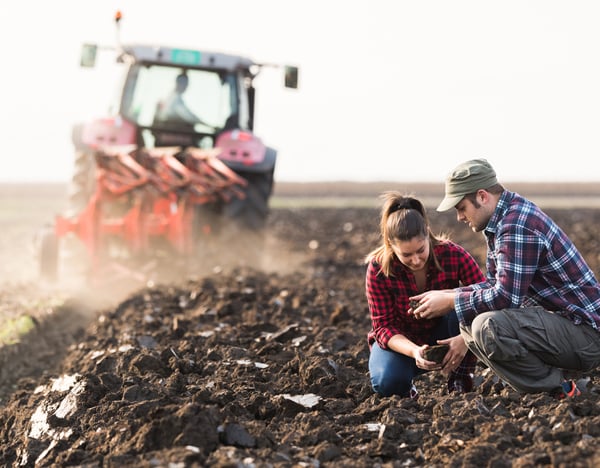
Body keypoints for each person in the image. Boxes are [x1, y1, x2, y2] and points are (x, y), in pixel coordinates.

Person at [411, 158, 600, 399]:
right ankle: (556, 382)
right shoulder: (502, 220)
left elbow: (505, 297)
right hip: (566, 328)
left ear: (482, 196)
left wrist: (451, 301)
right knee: (470, 320)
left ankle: (560, 389)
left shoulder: (517, 225)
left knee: (486, 326)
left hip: (588, 336)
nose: (459, 217)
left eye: (461, 208)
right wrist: (448, 295)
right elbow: (495, 284)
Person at [366, 192, 486, 399]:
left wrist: (465, 339)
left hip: (446, 332)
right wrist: (414, 352)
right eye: (406, 255)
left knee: (464, 304)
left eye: (421, 250)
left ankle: (460, 379)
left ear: (427, 234)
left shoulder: (453, 255)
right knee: (387, 382)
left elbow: (487, 296)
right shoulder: (378, 269)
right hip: (403, 341)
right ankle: (406, 390)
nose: (416, 260)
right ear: (390, 245)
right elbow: (383, 327)